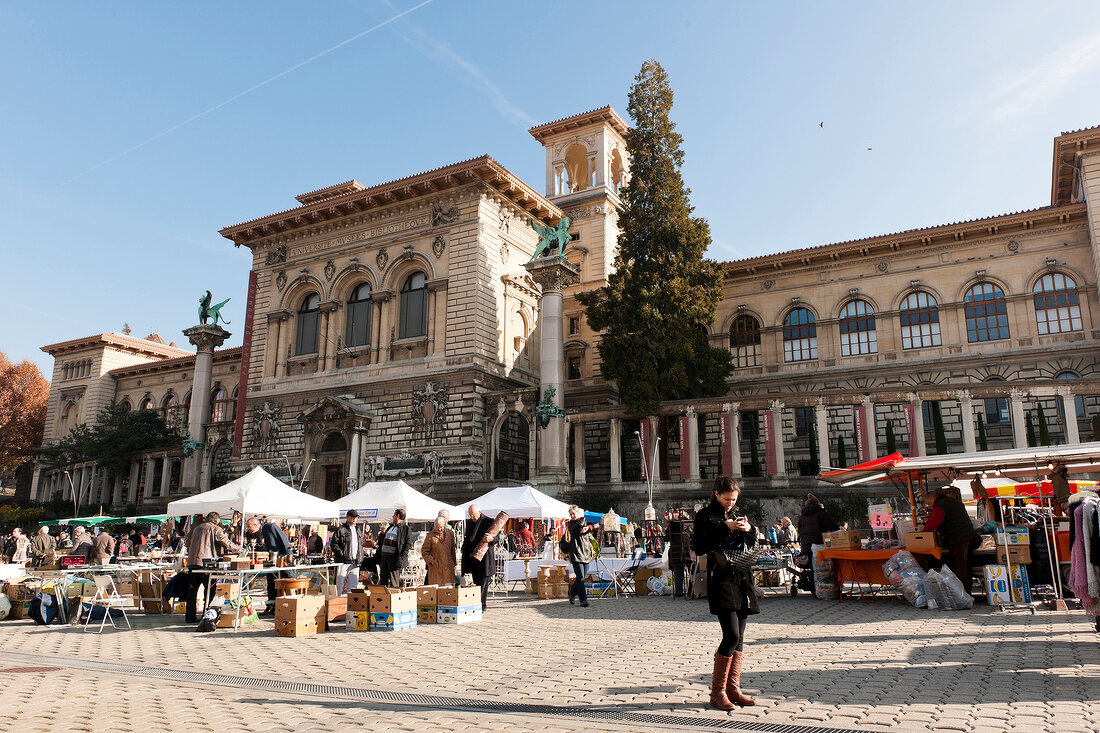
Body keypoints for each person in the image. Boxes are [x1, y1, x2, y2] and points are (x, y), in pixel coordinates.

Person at [693, 476, 759, 710]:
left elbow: (751, 543)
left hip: (742, 579)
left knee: (740, 638)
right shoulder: (705, 515)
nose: (730, 503)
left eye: (733, 499)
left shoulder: (737, 514)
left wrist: (749, 529)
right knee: (730, 635)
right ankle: (717, 692)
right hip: (721, 580)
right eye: (727, 499)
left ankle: (733, 689)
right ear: (716, 494)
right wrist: (724, 527)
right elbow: (699, 547)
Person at [184, 512, 242, 623]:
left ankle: (190, 617)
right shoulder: (215, 529)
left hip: (192, 563)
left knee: (192, 592)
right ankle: (206, 617)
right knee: (209, 591)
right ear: (216, 521)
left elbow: (187, 543)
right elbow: (227, 543)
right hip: (206, 564)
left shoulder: (196, 528)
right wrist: (240, 549)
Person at [923, 488, 980, 590]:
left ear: (933, 498)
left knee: (960, 567)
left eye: (929, 503)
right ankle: (967, 590)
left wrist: (922, 535)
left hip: (958, 538)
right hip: (969, 536)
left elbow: (932, 525)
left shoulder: (940, 505)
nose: (930, 505)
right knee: (966, 565)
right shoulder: (954, 502)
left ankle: (963, 593)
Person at [245, 516, 293, 612]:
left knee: (281, 585)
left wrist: (288, 557)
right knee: (271, 584)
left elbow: (284, 540)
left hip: (280, 560)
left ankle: (282, 608)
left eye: (249, 526)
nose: (248, 529)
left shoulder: (270, 527)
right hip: (269, 563)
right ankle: (271, 606)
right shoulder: (256, 535)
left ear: (256, 525)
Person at [461, 504, 495, 612]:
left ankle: (482, 604)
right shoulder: (469, 522)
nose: (472, 518)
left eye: (474, 515)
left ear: (479, 512)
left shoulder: (489, 521)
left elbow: (497, 537)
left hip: (485, 558)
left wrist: (491, 539)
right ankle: (477, 602)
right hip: (473, 557)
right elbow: (468, 538)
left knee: (484, 580)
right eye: (470, 515)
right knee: (476, 580)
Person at [564, 505, 595, 607]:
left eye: (574, 513)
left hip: (586, 552)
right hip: (576, 553)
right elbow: (580, 523)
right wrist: (585, 524)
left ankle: (572, 592)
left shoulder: (583, 521)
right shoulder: (571, 523)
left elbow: (597, 525)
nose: (572, 515)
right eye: (571, 514)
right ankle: (583, 600)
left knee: (582, 577)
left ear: (578, 513)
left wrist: (588, 527)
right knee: (580, 577)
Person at [376, 509, 414, 587]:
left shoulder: (405, 529)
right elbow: (382, 541)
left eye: (394, 515)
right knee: (383, 580)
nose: (392, 516)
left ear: (397, 516)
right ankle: (382, 598)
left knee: (394, 581)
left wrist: (401, 558)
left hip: (394, 559)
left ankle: (394, 597)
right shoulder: (390, 527)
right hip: (384, 557)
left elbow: (408, 544)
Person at [330, 510, 365, 593]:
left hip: (355, 562)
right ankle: (337, 602)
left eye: (355, 517)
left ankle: (351, 604)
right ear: (347, 517)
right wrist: (342, 555)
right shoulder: (341, 529)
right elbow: (334, 544)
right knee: (339, 585)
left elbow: (360, 544)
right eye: (352, 517)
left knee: (353, 587)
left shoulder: (358, 530)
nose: (354, 519)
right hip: (343, 562)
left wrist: (360, 557)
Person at [664, 510, 695, 598]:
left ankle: (678, 591)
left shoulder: (672, 525)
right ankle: (693, 590)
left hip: (676, 551)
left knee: (678, 571)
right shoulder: (689, 524)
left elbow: (666, 538)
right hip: (688, 550)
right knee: (692, 571)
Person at [422, 516, 458, 586]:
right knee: (438, 590)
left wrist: (454, 563)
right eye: (437, 527)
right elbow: (424, 551)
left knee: (449, 589)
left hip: (449, 567)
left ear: (444, 526)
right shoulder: (430, 536)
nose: (439, 529)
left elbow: (452, 549)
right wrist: (432, 561)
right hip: (436, 568)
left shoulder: (450, 534)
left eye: (441, 527)